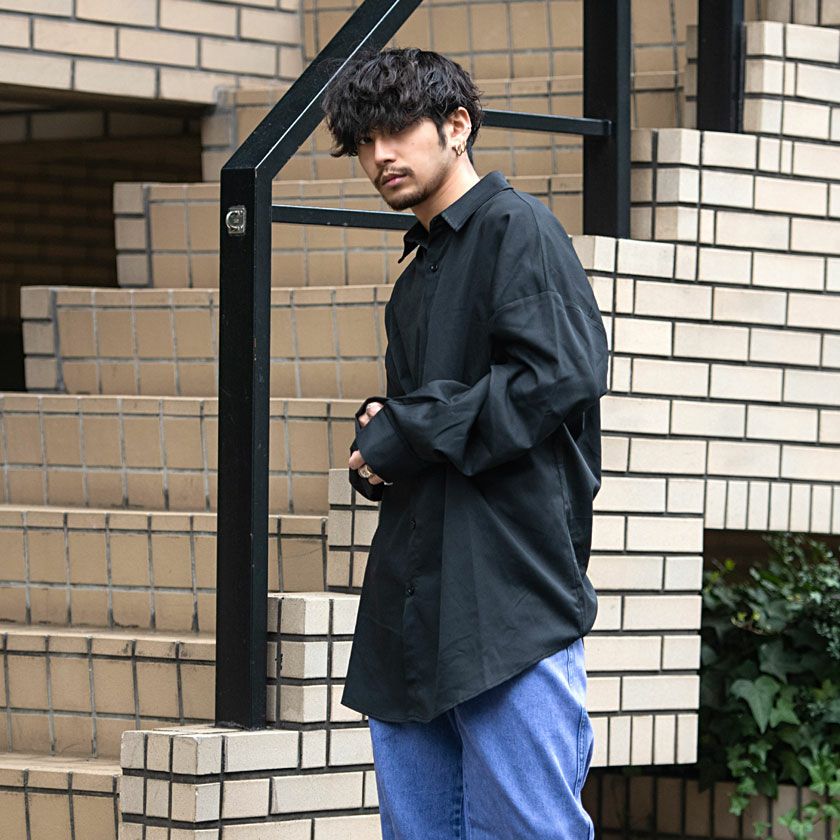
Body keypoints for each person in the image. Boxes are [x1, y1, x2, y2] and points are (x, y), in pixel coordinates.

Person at [321, 46, 609, 840]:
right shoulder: (418, 274)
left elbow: (561, 374)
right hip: (416, 605)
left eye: (397, 131)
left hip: (505, 600)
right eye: (364, 141)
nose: (380, 156)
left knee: (527, 831)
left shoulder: (517, 227)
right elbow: (436, 419)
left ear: (458, 124)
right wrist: (382, 445)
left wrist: (410, 428)